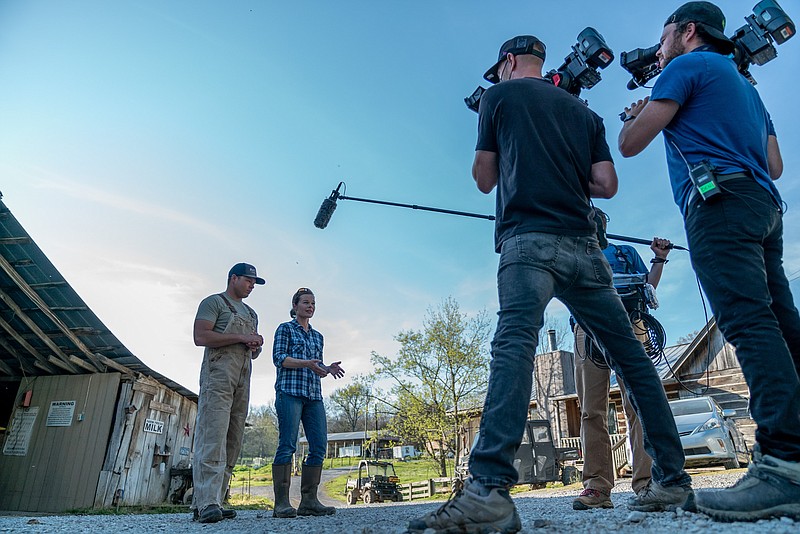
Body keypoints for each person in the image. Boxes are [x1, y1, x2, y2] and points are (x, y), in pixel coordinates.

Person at [406, 35, 691, 534]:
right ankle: (671, 479)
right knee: (631, 359)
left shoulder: (498, 97)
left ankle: (488, 492)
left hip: (528, 241)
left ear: (508, 62)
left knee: (514, 346)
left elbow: (484, 179)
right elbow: (606, 185)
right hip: (585, 250)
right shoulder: (585, 115)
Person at [617, 1, 800, 522]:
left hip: (717, 204)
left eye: (664, 38)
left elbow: (630, 144)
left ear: (688, 31)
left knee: (748, 322)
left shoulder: (687, 66)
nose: (659, 50)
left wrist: (639, 114)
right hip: (764, 205)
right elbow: (775, 164)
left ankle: (782, 467)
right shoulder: (744, 85)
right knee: (783, 322)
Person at [573, 232, 672, 510]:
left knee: (639, 404)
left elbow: (648, 286)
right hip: (586, 327)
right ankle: (597, 486)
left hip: (631, 321)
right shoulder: (571, 252)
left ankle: (647, 484)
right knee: (591, 409)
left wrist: (659, 258)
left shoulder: (625, 252)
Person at [191, 262, 265, 523]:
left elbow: (252, 352)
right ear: (233, 278)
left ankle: (215, 500)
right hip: (218, 377)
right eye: (248, 280)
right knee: (213, 434)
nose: (251, 286)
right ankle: (206, 502)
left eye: (254, 283)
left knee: (233, 439)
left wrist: (255, 345)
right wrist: (242, 338)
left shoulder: (251, 313)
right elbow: (201, 337)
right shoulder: (214, 303)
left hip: (242, 377)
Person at [271, 288, 344, 518]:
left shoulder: (318, 336)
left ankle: (309, 501)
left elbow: (316, 366)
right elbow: (279, 359)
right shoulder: (285, 329)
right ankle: (281, 503)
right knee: (287, 445)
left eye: (313, 303)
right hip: (289, 393)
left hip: (313, 396)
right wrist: (306, 363)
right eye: (305, 302)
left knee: (319, 445)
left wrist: (327, 368)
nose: (310, 306)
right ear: (295, 306)